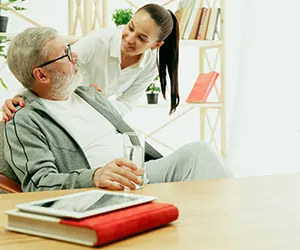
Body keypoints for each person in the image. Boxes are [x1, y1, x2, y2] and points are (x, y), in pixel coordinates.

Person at [3, 27, 232, 192]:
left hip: (140, 174)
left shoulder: (89, 94)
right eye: (65, 54)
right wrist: (95, 176)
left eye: (69, 48)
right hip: (102, 191)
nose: (74, 56)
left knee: (198, 154)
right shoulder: (23, 119)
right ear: (41, 75)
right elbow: (38, 182)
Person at [1, 3, 180, 122]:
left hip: (96, 116)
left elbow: (126, 104)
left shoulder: (149, 66)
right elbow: (51, 67)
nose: (129, 39)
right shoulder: (99, 41)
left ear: (156, 45)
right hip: (64, 105)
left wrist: (101, 103)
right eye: (130, 27)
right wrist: (21, 97)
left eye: (141, 38)